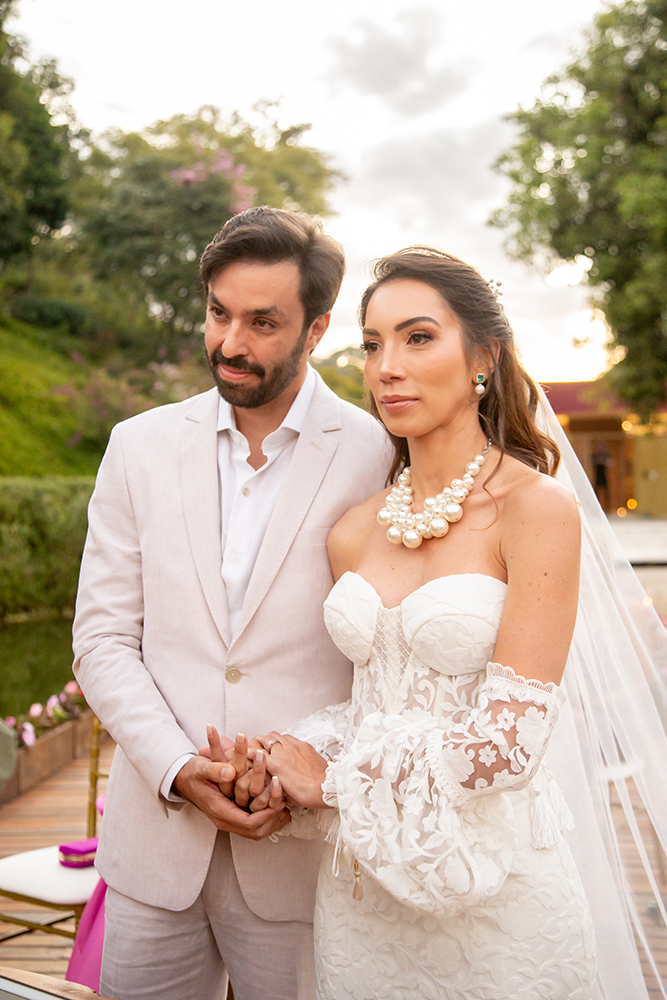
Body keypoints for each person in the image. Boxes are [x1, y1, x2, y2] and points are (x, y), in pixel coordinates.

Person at [251, 247, 667, 999]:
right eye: (372, 344)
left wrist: (335, 781)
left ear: (483, 356)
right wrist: (288, 756)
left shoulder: (534, 509)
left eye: (417, 337)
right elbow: (378, 702)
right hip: (364, 891)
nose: (386, 367)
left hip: (498, 892)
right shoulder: (351, 531)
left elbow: (510, 744)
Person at [71, 207, 390, 1000]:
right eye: (218, 312)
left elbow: (393, 660)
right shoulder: (136, 446)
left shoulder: (379, 454)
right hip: (155, 849)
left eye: (262, 322)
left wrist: (303, 770)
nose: (229, 344)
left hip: (305, 854)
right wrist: (179, 768)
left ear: (316, 330)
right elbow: (103, 638)